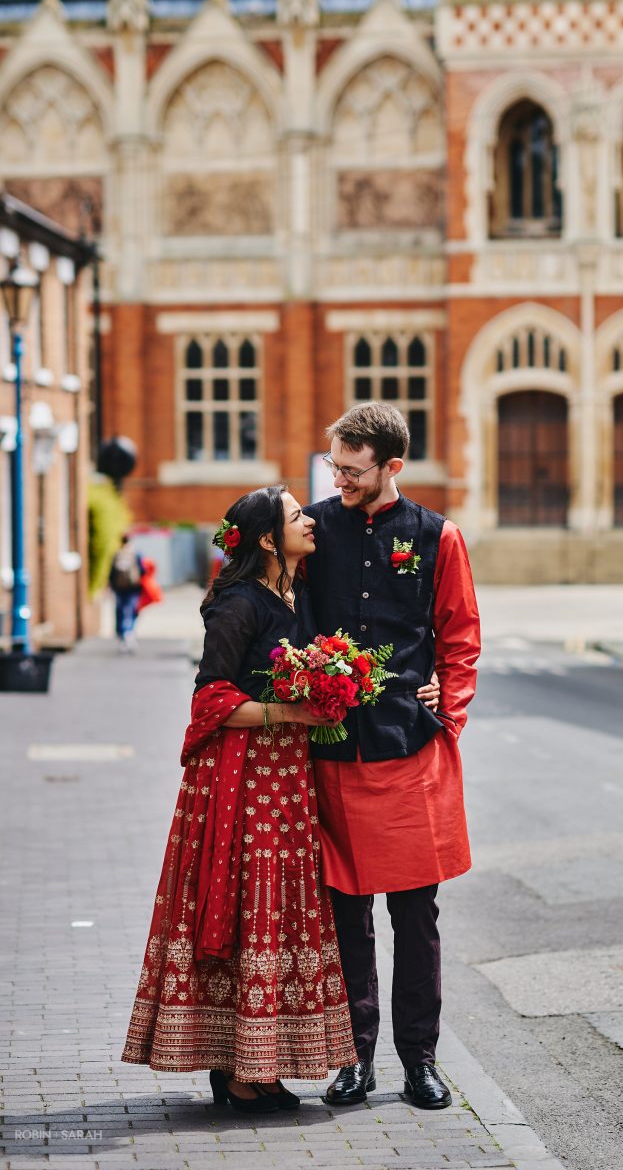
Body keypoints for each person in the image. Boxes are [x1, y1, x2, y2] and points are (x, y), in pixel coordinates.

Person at [121, 485, 440, 1114]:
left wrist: (424, 680)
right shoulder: (239, 603)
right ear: (270, 539)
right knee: (249, 910)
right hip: (240, 778)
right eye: (297, 515)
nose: (311, 520)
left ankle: (260, 1064)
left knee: (279, 915)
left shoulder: (290, 592)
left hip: (287, 775)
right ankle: (236, 1072)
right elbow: (208, 698)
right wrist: (291, 709)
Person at [304, 402, 480, 1111]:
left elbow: (461, 639)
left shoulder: (440, 537)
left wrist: (447, 717)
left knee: (415, 917)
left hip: (411, 753)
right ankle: (354, 1059)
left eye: (353, 470)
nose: (340, 480)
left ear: (392, 467)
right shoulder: (312, 531)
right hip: (335, 756)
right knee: (347, 918)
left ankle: (421, 1061)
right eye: (335, 468)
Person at [108, 533, 144, 652]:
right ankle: (129, 634)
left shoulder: (117, 554)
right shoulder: (136, 554)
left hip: (119, 589)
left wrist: (111, 586)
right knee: (131, 610)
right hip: (133, 588)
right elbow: (142, 571)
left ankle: (121, 636)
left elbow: (112, 573)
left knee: (120, 611)